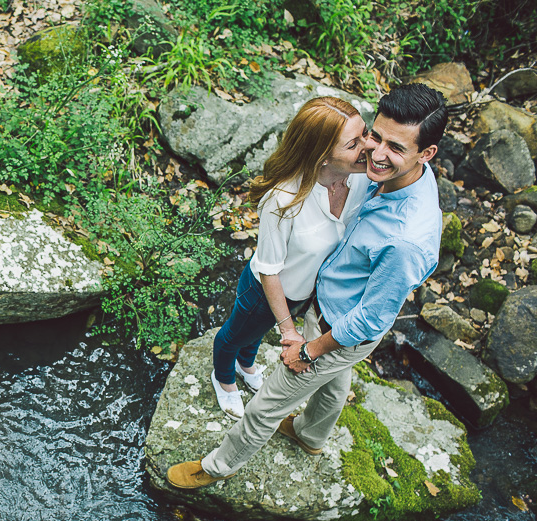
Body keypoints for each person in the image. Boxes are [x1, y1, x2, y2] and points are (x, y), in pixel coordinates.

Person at [168, 83, 448, 489]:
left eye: (396, 148)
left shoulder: (405, 239)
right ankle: (311, 435)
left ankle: (214, 468)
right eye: (375, 136)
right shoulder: (390, 176)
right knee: (335, 386)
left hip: (341, 328)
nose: (377, 152)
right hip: (323, 304)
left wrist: (309, 348)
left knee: (267, 405)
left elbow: (370, 320)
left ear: (427, 154)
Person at [211, 97, 369, 420]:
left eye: (366, 134)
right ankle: (223, 377)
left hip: (304, 294)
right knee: (235, 334)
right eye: (355, 143)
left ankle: (246, 364)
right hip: (263, 292)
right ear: (323, 157)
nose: (369, 147)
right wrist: (289, 331)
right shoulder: (282, 199)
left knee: (253, 336)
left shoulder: (362, 179)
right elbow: (269, 270)